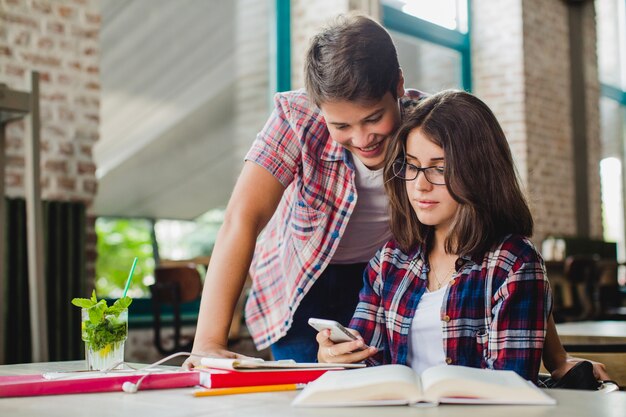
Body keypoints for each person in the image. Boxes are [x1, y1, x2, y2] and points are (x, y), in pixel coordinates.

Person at [183, 14, 609, 382]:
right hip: (303, 287)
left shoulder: (428, 131)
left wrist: (557, 359)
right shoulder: (295, 120)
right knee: (314, 393)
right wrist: (208, 342)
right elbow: (242, 220)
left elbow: (512, 261)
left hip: (385, 281)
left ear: (399, 87)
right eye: (341, 126)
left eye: (373, 118)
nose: (362, 138)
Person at [316, 90, 550, 382]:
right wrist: (335, 356)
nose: (420, 186)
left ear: (478, 171)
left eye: (439, 169)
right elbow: (364, 367)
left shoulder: (514, 264)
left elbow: (511, 385)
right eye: (412, 165)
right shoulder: (389, 261)